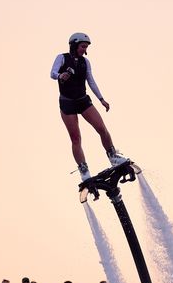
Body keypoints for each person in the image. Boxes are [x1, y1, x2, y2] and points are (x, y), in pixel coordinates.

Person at [50, 32, 128, 181]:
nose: (83, 49)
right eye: (82, 46)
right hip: (67, 103)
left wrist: (101, 99)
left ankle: (113, 157)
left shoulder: (85, 62)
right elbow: (52, 73)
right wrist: (60, 76)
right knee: (75, 138)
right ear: (74, 45)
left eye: (85, 47)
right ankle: (84, 170)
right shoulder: (62, 57)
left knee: (102, 128)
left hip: (83, 100)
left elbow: (91, 81)